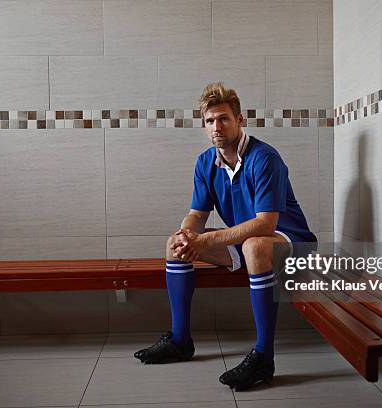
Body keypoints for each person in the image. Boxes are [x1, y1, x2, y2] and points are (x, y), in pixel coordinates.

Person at [133, 82, 317, 391]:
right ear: (203, 125)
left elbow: (265, 225)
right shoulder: (206, 162)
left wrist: (205, 241)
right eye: (209, 120)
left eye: (224, 119)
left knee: (256, 245)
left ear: (239, 120)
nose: (216, 126)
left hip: (292, 243)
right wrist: (188, 235)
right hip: (245, 245)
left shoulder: (265, 158)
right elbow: (197, 214)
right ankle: (180, 340)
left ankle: (263, 357)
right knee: (173, 242)